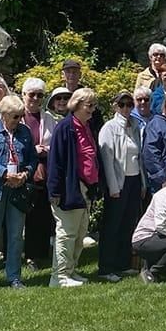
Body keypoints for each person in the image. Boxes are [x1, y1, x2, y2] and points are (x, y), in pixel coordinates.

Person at [0, 94, 38, 290]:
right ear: (4, 115)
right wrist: (5, 175)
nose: (19, 120)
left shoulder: (25, 132)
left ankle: (14, 277)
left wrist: (25, 175)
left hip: (17, 189)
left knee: (16, 235)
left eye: (20, 116)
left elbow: (32, 159)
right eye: (15, 117)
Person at [46, 87, 102, 287]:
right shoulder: (65, 127)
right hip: (70, 188)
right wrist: (55, 191)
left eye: (94, 105)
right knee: (67, 233)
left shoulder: (86, 126)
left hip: (86, 188)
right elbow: (56, 161)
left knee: (79, 233)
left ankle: (71, 271)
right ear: (77, 105)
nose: (92, 110)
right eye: (89, 105)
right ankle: (59, 277)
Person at [98, 91, 145, 282]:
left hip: (134, 181)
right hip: (118, 182)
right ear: (115, 106)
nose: (126, 108)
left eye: (129, 104)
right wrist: (113, 186)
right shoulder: (109, 128)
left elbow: (138, 157)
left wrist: (142, 183)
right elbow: (107, 160)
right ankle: (106, 267)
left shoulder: (135, 126)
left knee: (128, 224)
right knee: (112, 225)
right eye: (122, 104)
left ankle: (122, 264)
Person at [21, 77, 56, 270]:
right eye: (31, 94)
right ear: (23, 95)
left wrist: (46, 149)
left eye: (39, 95)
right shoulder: (17, 115)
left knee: (42, 216)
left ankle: (39, 254)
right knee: (26, 216)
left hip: (44, 172)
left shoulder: (49, 118)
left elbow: (55, 143)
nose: (35, 98)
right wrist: (34, 149)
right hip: (24, 172)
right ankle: (26, 255)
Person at [60, 59, 104, 134]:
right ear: (62, 74)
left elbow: (97, 122)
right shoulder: (56, 96)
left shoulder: (88, 96)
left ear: (80, 74)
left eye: (74, 72)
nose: (71, 75)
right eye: (68, 72)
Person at [136, 44, 166, 115]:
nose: (158, 57)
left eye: (162, 55)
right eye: (155, 54)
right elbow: (136, 96)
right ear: (150, 57)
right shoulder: (142, 76)